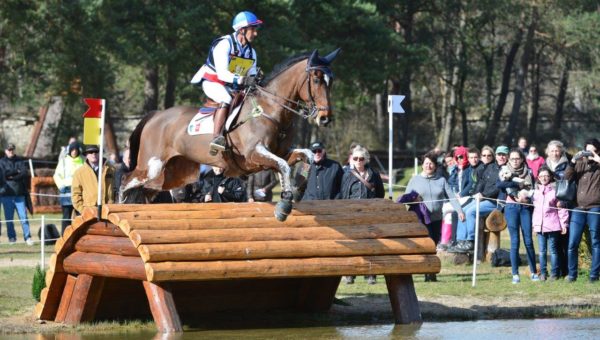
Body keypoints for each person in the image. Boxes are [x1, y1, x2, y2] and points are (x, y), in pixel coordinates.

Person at [190, 11, 262, 154]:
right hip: (213, 82)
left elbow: (252, 75)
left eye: (255, 29)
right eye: (253, 29)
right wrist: (242, 79)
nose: (255, 33)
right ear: (242, 30)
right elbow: (222, 74)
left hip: (233, 86)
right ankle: (216, 138)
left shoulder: (251, 52)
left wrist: (256, 81)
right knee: (226, 98)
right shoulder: (224, 44)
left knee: (254, 104)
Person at [405, 152, 465, 281]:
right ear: (422, 165)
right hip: (420, 219)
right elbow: (405, 198)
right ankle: (428, 272)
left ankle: (430, 271)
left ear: (435, 166)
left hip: (437, 218)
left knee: (434, 245)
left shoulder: (441, 180)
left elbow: (452, 197)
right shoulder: (415, 180)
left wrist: (459, 211)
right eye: (426, 163)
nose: (428, 166)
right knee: (426, 244)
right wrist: (413, 199)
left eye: (431, 163)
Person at [450, 145, 508, 253]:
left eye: (503, 155)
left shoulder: (506, 169)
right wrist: (477, 194)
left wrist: (483, 194)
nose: (501, 157)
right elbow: (481, 182)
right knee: (461, 210)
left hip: (494, 201)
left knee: (471, 212)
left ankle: (470, 241)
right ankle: (461, 240)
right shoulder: (491, 167)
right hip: (483, 198)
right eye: (499, 155)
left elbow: (498, 187)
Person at [340, 145, 384, 285]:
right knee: (352, 245)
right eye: (355, 158)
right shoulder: (346, 175)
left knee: (371, 245)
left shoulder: (374, 174)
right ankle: (350, 273)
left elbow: (380, 194)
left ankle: (371, 273)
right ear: (352, 159)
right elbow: (343, 195)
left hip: (370, 215)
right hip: (351, 215)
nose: (358, 161)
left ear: (366, 160)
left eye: (361, 158)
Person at [497, 148, 538, 283]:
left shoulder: (529, 171)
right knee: (515, 242)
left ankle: (533, 272)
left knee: (528, 241)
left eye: (517, 158)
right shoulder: (504, 170)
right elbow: (501, 185)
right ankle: (515, 274)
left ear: (521, 159)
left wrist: (526, 197)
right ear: (509, 159)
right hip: (511, 207)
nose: (515, 161)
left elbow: (533, 188)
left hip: (525, 207)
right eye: (512, 158)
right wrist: (517, 183)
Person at [564, 138, 600, 283]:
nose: (589, 154)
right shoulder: (579, 163)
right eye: (587, 150)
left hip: (595, 207)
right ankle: (572, 275)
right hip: (578, 208)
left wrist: (598, 158)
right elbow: (566, 178)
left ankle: (594, 275)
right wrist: (573, 161)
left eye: (593, 150)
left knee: (596, 242)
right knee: (572, 243)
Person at [531, 167, 569, 281]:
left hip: (553, 226)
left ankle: (554, 273)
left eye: (546, 176)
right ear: (538, 178)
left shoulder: (555, 192)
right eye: (541, 176)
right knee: (542, 251)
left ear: (550, 177)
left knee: (553, 250)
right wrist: (534, 226)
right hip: (540, 227)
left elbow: (562, 209)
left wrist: (564, 224)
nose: (544, 178)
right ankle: (543, 273)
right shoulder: (535, 193)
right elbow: (535, 211)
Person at [544, 139, 571, 277]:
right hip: (548, 207)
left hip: (562, 205)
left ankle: (565, 270)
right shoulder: (545, 164)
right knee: (553, 242)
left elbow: (570, 185)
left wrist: (563, 201)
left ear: (561, 151)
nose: (554, 153)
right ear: (548, 151)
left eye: (557, 150)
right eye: (552, 150)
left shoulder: (568, 164)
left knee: (563, 239)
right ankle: (556, 269)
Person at [439, 146, 474, 250]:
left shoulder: (469, 169)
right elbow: (450, 184)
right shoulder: (456, 170)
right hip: (457, 197)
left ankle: (452, 241)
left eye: (461, 157)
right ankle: (445, 241)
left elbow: (471, 184)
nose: (459, 160)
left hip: (467, 197)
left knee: (445, 210)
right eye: (457, 157)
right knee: (448, 215)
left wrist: (461, 194)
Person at [0, 144, 33, 245]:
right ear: (5, 151)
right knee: (9, 219)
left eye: (12, 150)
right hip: (6, 195)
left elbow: (24, 173)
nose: (11, 151)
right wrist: (16, 172)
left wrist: (12, 177)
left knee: (24, 218)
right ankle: (12, 238)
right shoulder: (2, 162)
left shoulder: (20, 160)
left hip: (20, 195)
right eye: (9, 150)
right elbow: (4, 175)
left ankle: (27, 237)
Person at [71, 145, 115, 214]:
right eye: (90, 152)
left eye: (96, 152)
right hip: (89, 212)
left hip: (109, 210)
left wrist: (114, 206)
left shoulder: (111, 169)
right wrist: (83, 210)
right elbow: (76, 194)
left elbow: (117, 189)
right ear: (86, 155)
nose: (93, 154)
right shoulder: (79, 173)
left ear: (100, 154)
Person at [53, 142, 84, 234]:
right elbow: (57, 175)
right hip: (66, 192)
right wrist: (61, 186)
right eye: (72, 150)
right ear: (69, 151)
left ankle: (79, 235)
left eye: (76, 150)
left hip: (80, 192)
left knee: (80, 216)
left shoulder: (84, 161)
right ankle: (65, 236)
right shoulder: (63, 161)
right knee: (66, 217)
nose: (74, 152)